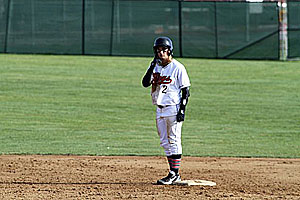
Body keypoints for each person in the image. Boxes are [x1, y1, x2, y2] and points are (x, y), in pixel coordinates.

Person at [142, 36, 191, 185]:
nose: (160, 53)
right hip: (160, 109)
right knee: (164, 141)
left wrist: (182, 110)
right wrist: (151, 66)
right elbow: (145, 83)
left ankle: (174, 174)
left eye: (163, 50)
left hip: (173, 108)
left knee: (174, 140)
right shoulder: (156, 67)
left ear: (169, 51)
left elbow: (186, 90)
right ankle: (173, 172)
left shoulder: (177, 67)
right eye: (158, 50)